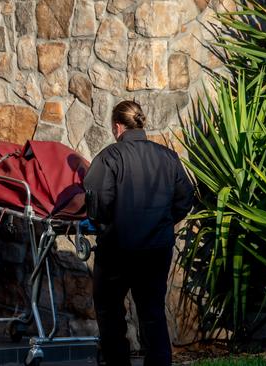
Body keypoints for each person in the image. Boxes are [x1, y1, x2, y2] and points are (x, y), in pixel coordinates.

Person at [83, 101, 194, 366]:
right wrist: (163, 222)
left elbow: (97, 203)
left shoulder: (110, 157)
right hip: (156, 249)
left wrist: (105, 225)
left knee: (109, 311)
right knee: (152, 312)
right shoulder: (168, 157)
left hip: (117, 250)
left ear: (117, 126)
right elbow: (185, 199)